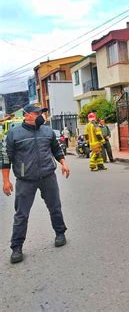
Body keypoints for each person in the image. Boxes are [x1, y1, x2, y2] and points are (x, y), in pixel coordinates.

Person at [1, 104, 70, 264]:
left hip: (48, 176)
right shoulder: (13, 134)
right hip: (26, 180)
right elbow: (5, 158)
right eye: (37, 113)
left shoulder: (47, 131)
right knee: (21, 214)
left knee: (55, 207)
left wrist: (63, 163)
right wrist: (6, 180)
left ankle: (60, 233)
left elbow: (56, 149)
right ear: (27, 115)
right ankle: (16, 247)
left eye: (42, 113)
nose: (41, 115)